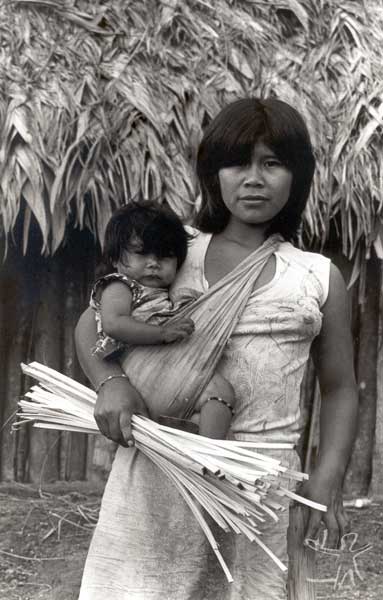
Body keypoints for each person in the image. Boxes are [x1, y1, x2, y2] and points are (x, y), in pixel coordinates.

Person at [75, 97, 358, 600]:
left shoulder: (315, 276)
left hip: (259, 486)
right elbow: (95, 322)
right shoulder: (174, 254)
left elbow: (338, 389)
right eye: (238, 162)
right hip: (164, 470)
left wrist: (327, 478)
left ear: (298, 176)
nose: (254, 178)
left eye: (272, 163)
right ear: (213, 173)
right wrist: (111, 383)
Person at [90, 199, 236, 439]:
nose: (154, 264)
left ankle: (205, 457)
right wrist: (162, 333)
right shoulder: (119, 286)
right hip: (137, 369)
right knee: (217, 392)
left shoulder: (165, 292)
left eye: (165, 256)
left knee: (221, 393)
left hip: (170, 372)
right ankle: (206, 455)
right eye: (141, 253)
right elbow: (114, 324)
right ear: (116, 258)